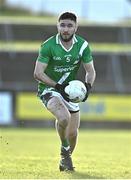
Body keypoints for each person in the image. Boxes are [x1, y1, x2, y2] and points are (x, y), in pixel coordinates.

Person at [34, 12, 96, 172]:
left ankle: (65, 160)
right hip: (50, 89)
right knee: (63, 118)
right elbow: (38, 73)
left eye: (69, 25)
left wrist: (88, 86)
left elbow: (90, 71)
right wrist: (57, 86)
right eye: (62, 25)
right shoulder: (48, 45)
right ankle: (64, 149)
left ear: (76, 27)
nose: (66, 29)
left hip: (69, 92)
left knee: (73, 134)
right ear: (58, 26)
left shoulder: (82, 45)